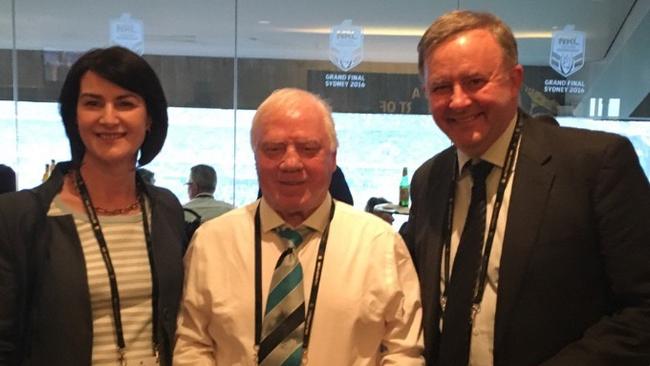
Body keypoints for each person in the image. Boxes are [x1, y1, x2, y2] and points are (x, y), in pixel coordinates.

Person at [405, 10, 650, 366]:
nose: (458, 101)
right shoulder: (428, 179)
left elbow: (643, 310)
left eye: (475, 81)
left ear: (514, 80)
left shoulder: (596, 164)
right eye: (441, 87)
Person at [174, 88, 424, 365]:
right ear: (255, 157)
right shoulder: (212, 242)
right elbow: (191, 344)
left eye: (308, 149)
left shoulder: (380, 245)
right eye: (273, 149)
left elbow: (404, 352)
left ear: (333, 158)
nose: (290, 163)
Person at [0, 46, 186, 366]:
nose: (109, 117)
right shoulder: (21, 216)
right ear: (74, 116)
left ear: (150, 118)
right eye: (92, 103)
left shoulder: (166, 208)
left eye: (126, 103)